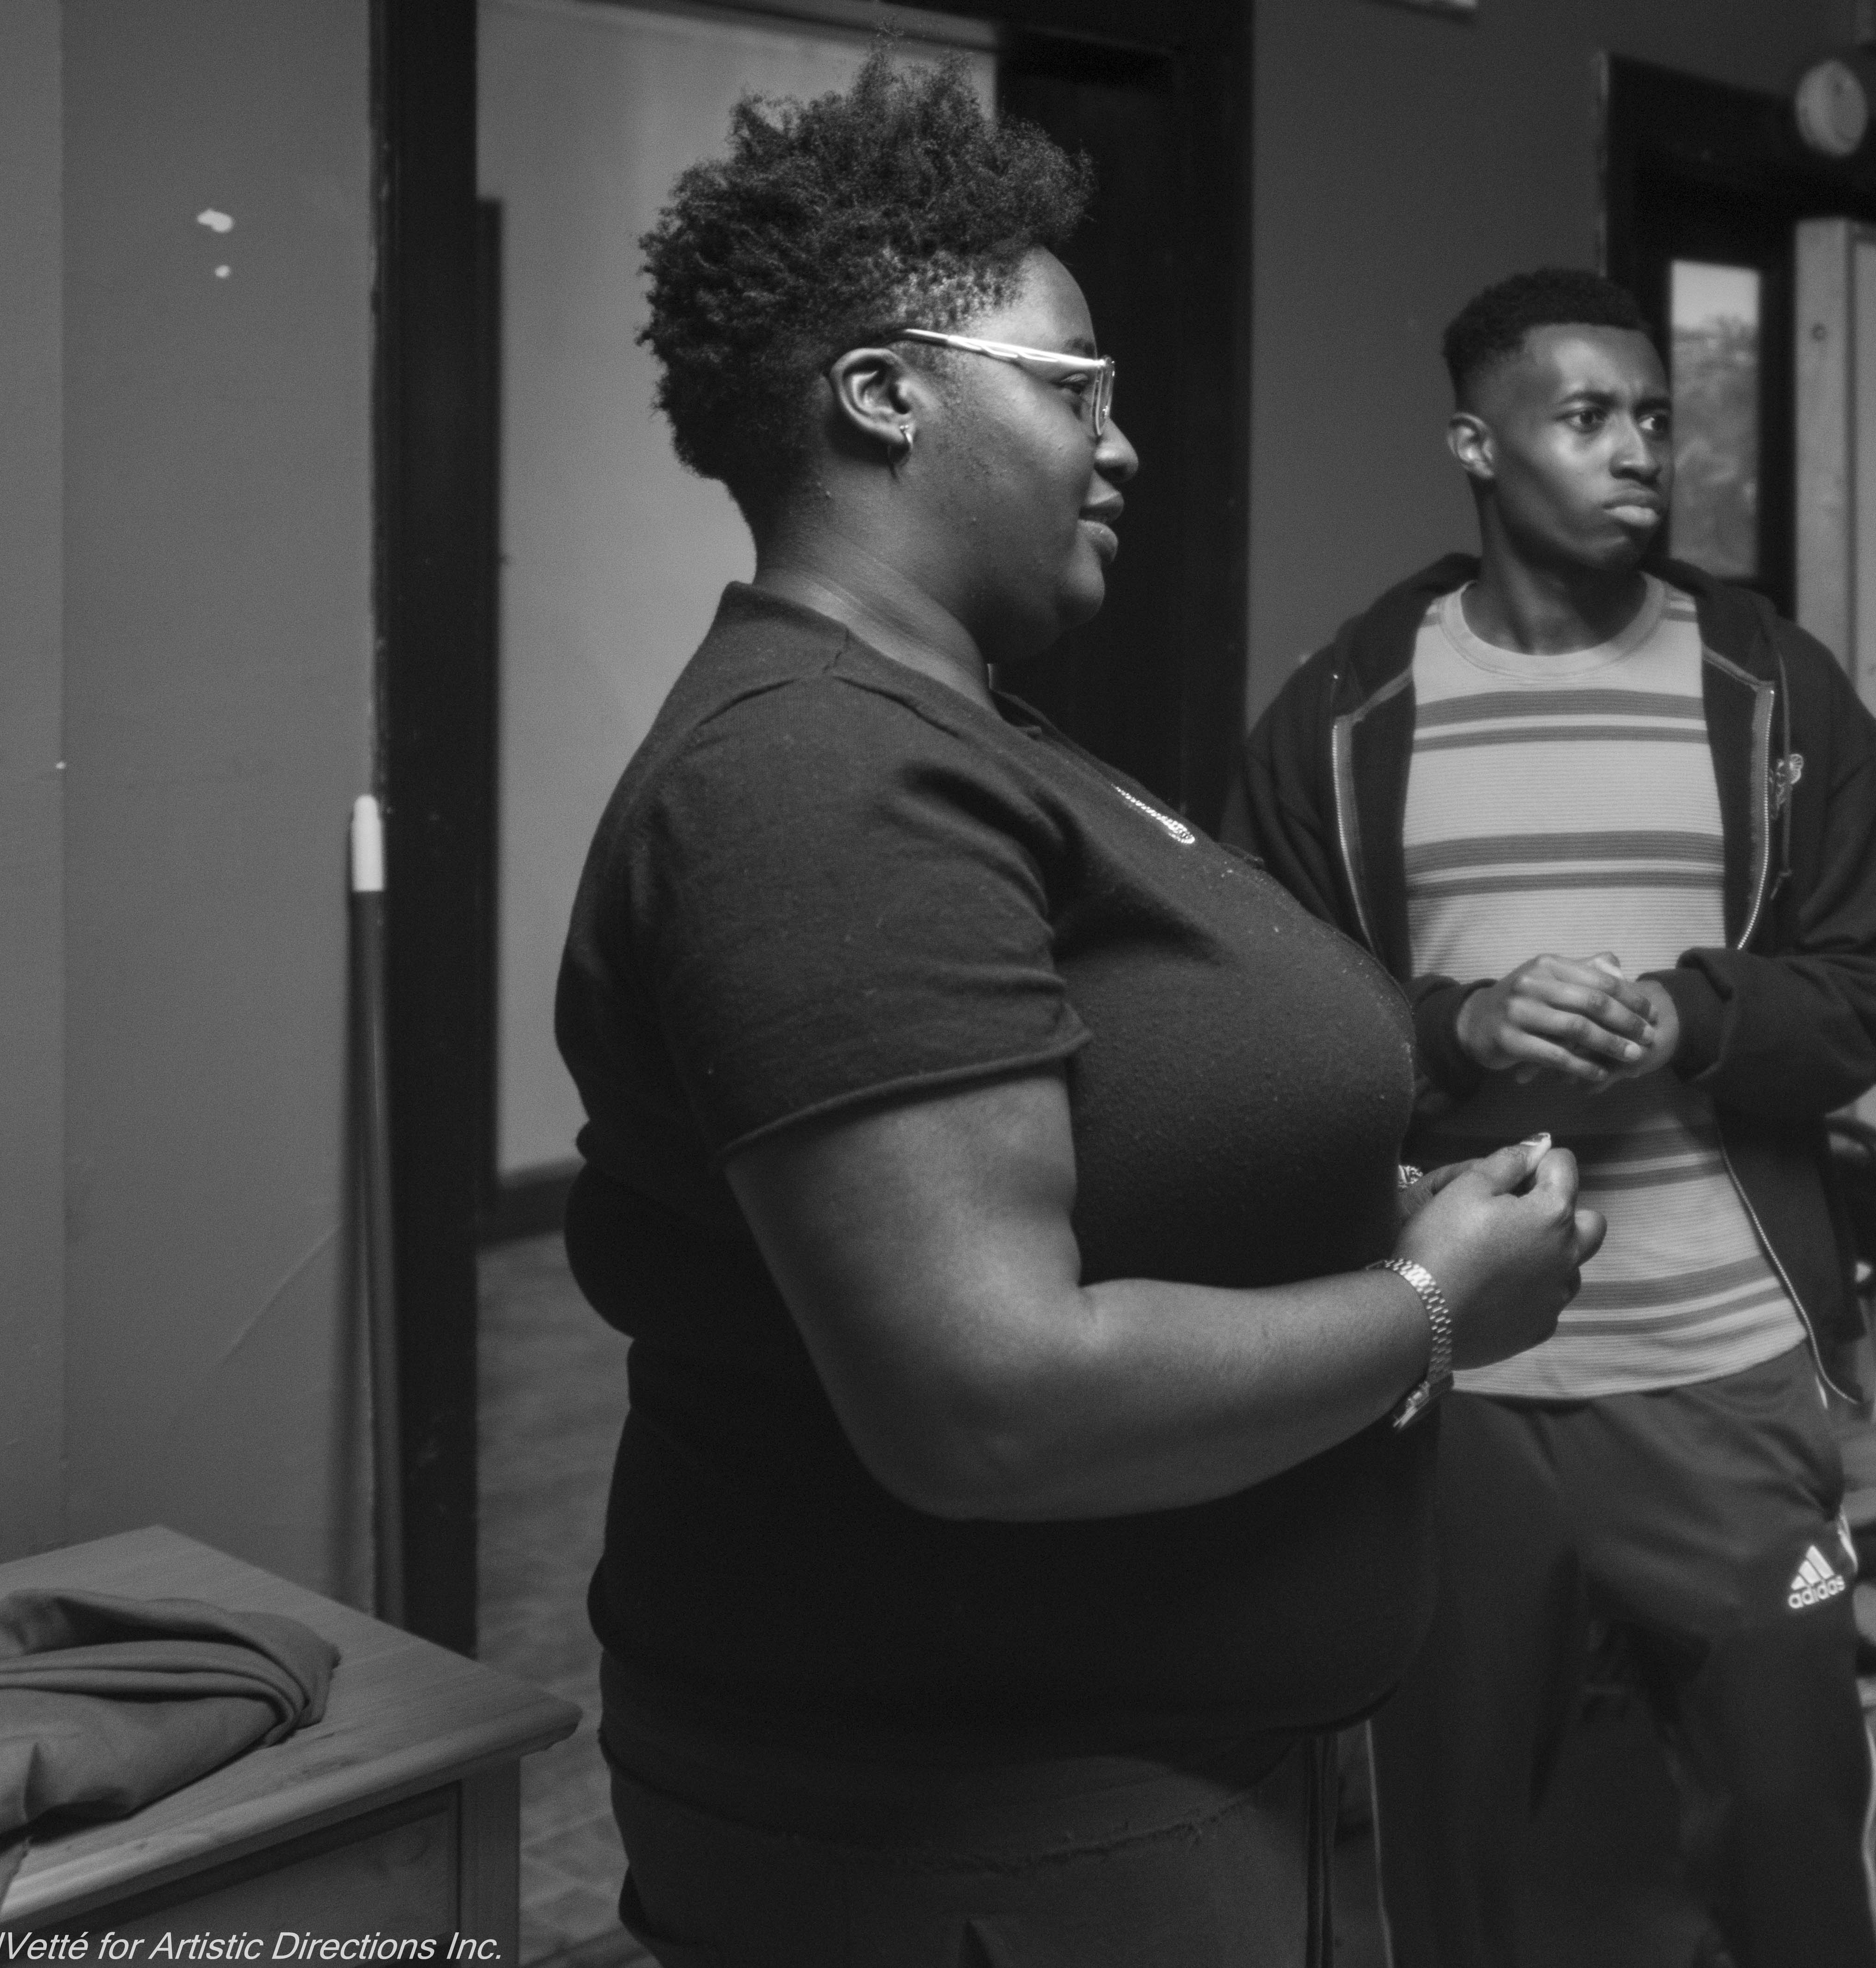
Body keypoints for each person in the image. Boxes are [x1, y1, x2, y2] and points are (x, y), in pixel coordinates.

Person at [555, 65, 1601, 1964]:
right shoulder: (817, 786)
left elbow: (1109, 1146)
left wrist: (1341, 1215)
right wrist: (1435, 1303)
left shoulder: (962, 733)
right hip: (977, 1809)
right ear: (884, 393)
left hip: (1153, 1758)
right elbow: (987, 1399)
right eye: (1074, 389)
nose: (1124, 443)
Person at [1232, 268, 1876, 1968]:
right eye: (1586, 418)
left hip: (1727, 1378)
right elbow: (1249, 1019)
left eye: (1653, 418)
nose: (1639, 452)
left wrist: (1695, 1019)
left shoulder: (1770, 686)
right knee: (1454, 1860)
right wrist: (1457, 1026)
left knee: (1792, 1836)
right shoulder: (1350, 712)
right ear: (1478, 445)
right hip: (1454, 1376)